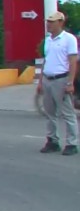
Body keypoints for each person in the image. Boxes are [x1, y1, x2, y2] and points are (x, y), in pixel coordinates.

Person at [38, 11, 78, 156]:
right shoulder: (48, 40)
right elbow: (46, 60)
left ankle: (72, 143)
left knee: (67, 113)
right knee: (50, 113)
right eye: (48, 21)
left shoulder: (69, 39)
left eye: (52, 22)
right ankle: (52, 141)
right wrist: (41, 81)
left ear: (60, 22)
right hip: (48, 79)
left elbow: (73, 62)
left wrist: (70, 82)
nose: (48, 24)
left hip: (61, 79)